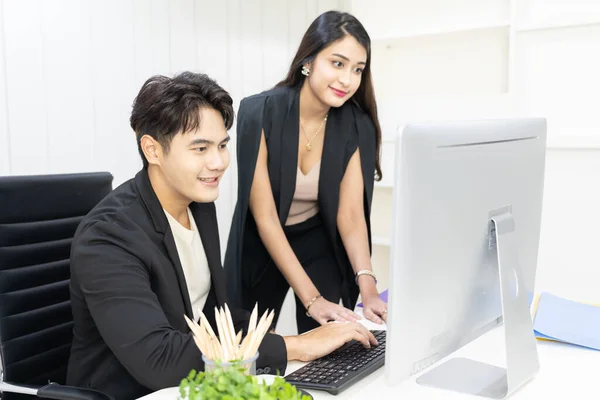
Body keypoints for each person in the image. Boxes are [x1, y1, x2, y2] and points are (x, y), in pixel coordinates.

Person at [66, 72, 377, 400]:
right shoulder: (108, 237)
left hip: (196, 386)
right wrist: (295, 346)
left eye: (222, 146)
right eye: (200, 148)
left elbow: (214, 318)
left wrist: (307, 336)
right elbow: (158, 358)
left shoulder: (198, 205)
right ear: (152, 150)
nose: (217, 163)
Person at [224, 11, 387, 334]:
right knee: (249, 346)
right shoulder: (259, 113)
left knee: (332, 338)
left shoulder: (357, 126)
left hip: (317, 240)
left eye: (357, 69)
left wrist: (367, 288)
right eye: (337, 63)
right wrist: (311, 298)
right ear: (308, 61)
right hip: (261, 240)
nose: (347, 80)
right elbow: (266, 217)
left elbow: (351, 215)